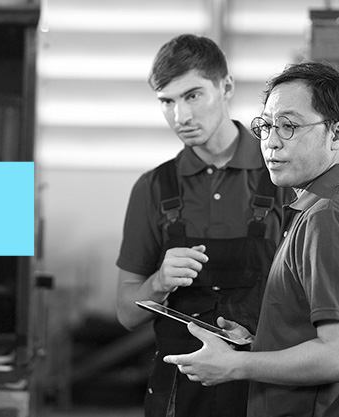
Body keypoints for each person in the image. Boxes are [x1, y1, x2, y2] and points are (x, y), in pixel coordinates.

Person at [163, 61, 339, 417]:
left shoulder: (329, 216)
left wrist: (235, 366)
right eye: (266, 126)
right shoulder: (328, 201)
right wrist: (260, 345)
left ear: (337, 135)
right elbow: (319, 335)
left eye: (289, 126)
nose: (271, 142)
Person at [115, 34, 293, 417]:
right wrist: (159, 282)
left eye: (193, 96)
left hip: (263, 393)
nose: (181, 117)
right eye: (167, 101)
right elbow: (126, 314)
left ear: (226, 87)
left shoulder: (282, 178)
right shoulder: (152, 188)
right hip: (179, 397)